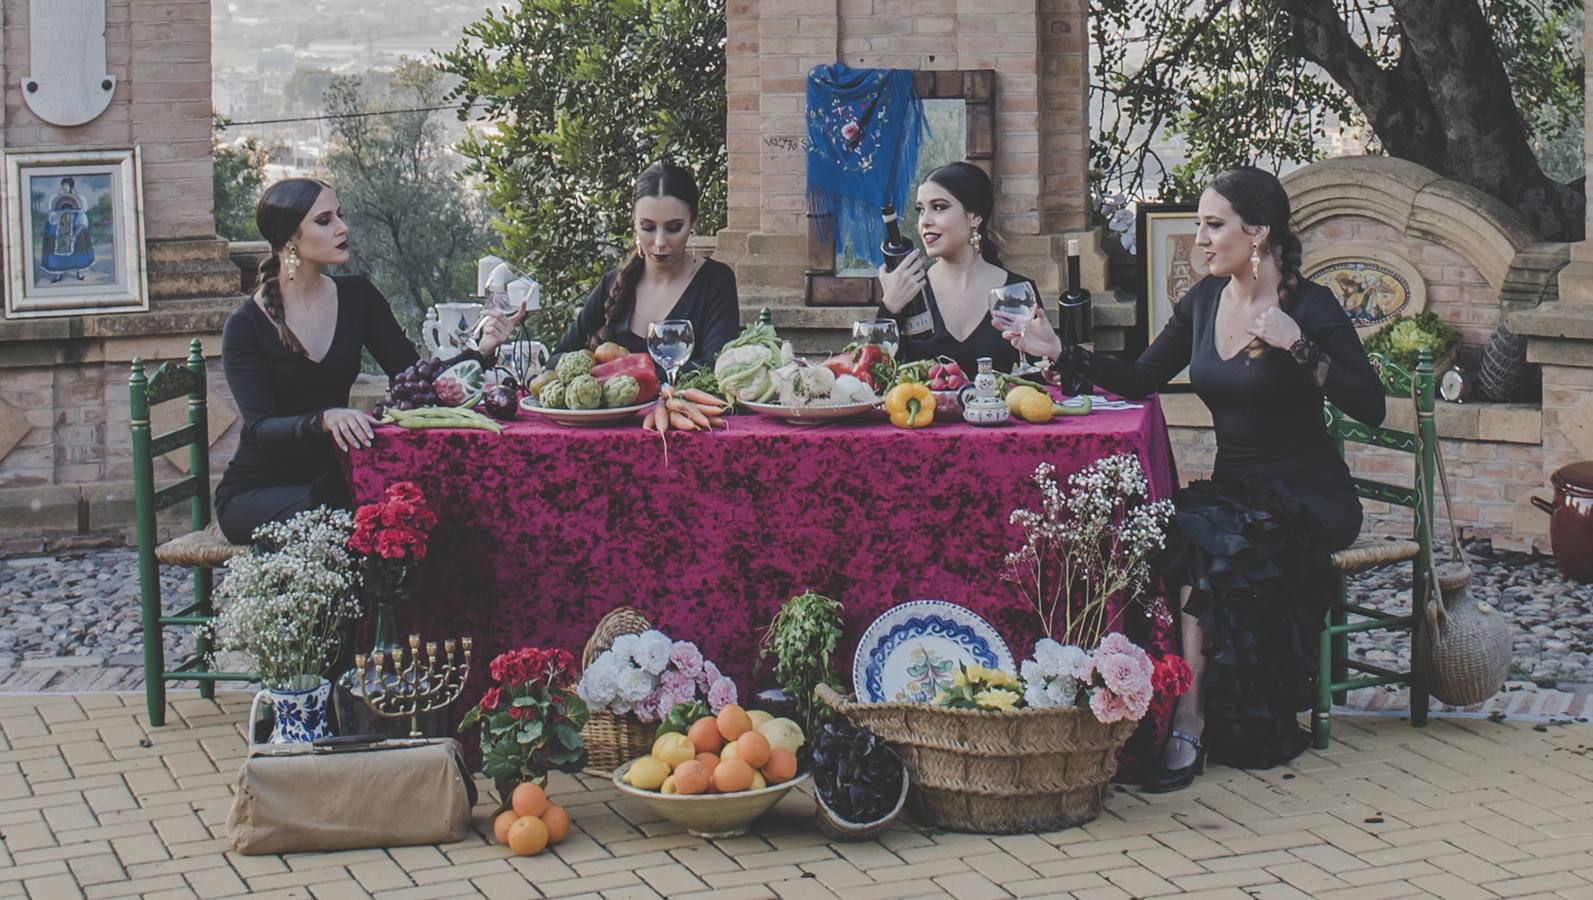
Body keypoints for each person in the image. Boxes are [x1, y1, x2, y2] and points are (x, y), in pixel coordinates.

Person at [1008, 166, 1386, 788]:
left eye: (1214, 225)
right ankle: (1156, 707)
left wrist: (1300, 348)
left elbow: (1368, 405)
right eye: (1199, 226)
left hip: (1310, 495)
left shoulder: (1310, 306)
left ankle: (1190, 722)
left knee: (1210, 541)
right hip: (1236, 491)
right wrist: (1059, 353)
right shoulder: (1205, 299)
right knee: (1167, 529)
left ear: (1259, 232)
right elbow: (1141, 376)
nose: (1201, 240)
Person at [216, 178, 520, 545]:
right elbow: (259, 429)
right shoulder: (245, 326)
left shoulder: (358, 297)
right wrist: (325, 419)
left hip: (337, 479)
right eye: (324, 220)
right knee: (361, 515)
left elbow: (416, 381)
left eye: (340, 215)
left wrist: (482, 349)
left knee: (416, 506)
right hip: (258, 495)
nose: (343, 227)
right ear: (290, 238)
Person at [552, 161, 739, 368]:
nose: (660, 242)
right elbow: (557, 359)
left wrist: (625, 370)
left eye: (674, 228)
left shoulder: (715, 281)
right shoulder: (612, 283)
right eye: (648, 227)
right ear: (634, 221)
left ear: (693, 221)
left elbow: (717, 366)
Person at [876, 162, 1039, 378]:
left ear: (974, 217)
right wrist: (890, 306)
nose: (924, 221)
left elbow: (1042, 376)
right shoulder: (910, 288)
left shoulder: (1017, 291)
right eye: (920, 210)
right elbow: (874, 377)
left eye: (939, 207)